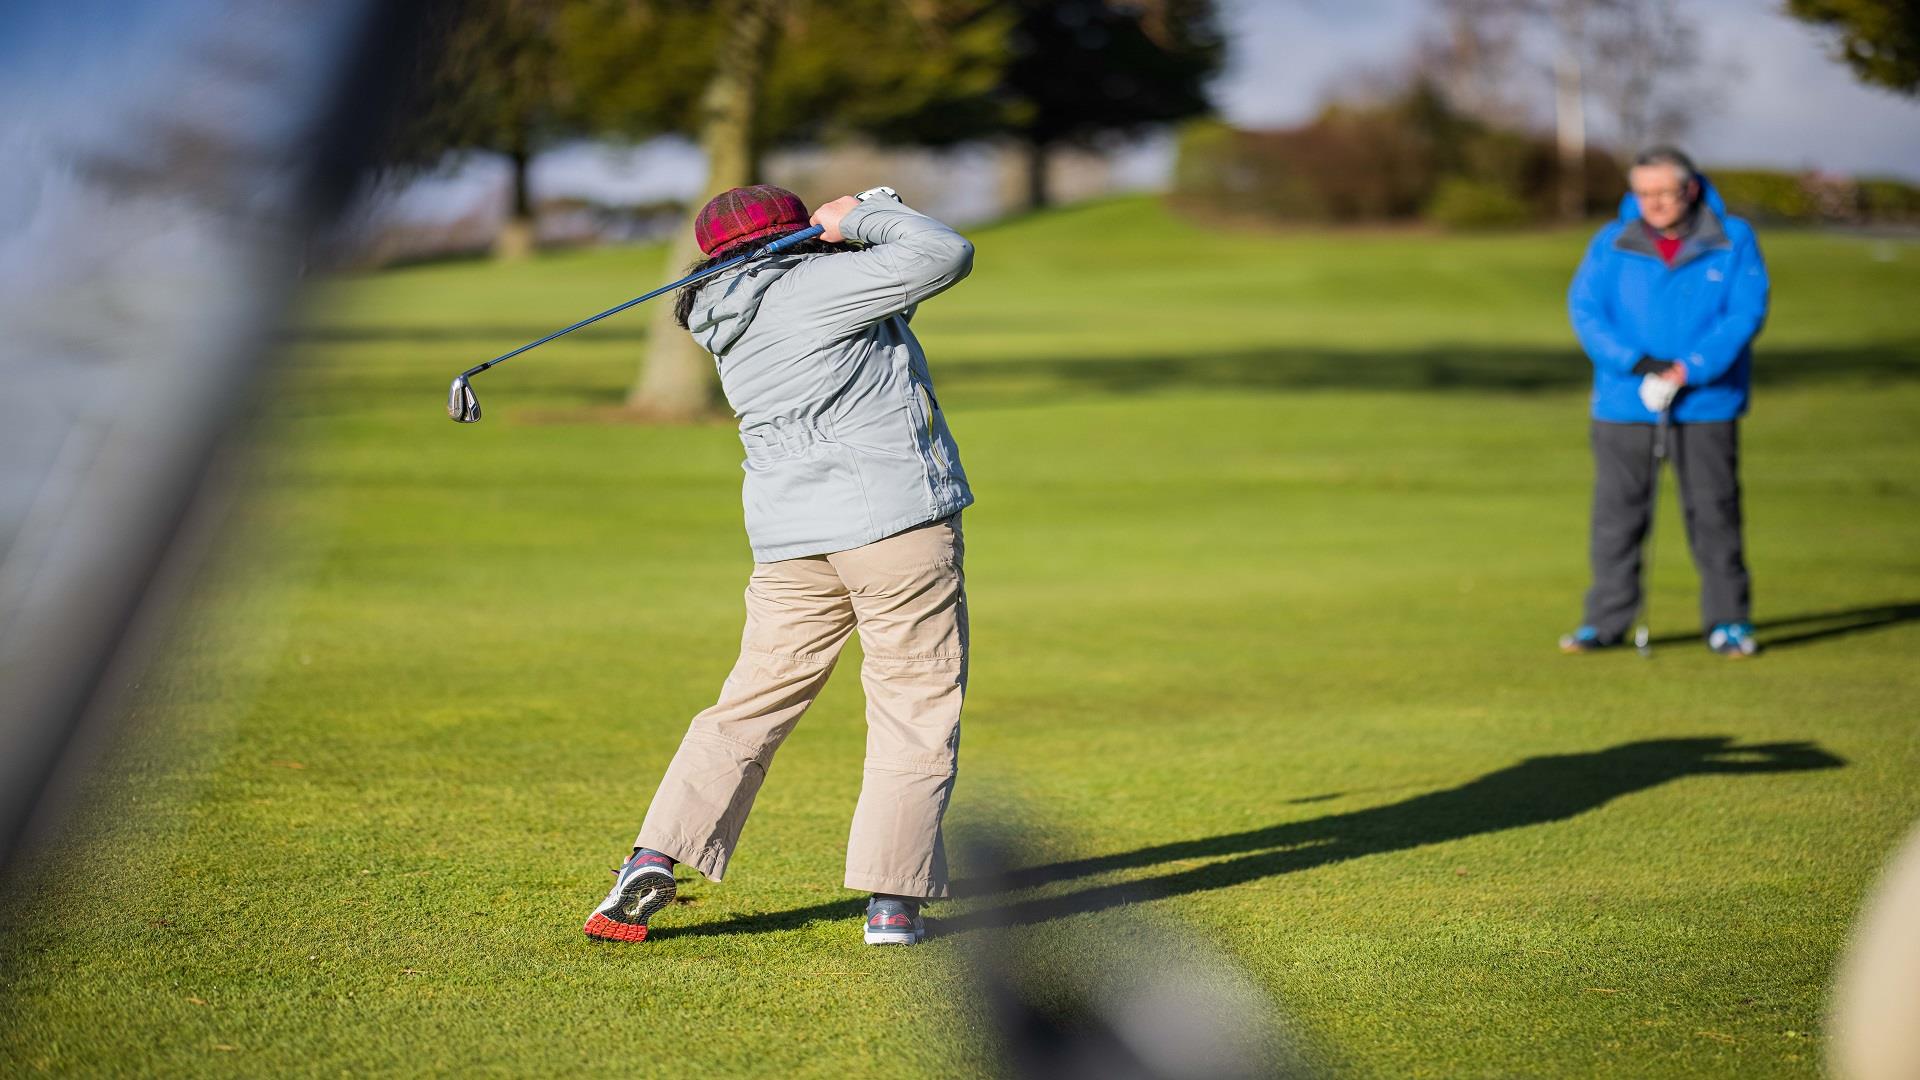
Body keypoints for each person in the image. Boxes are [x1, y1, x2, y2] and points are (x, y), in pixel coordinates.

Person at [583, 184, 975, 946]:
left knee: (750, 706)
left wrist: (857, 224)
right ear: (793, 238)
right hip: (894, 528)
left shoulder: (716, 313)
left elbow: (894, 303)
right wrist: (859, 215)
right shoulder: (827, 285)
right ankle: (892, 902)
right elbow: (943, 253)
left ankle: (653, 853)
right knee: (913, 709)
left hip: (791, 543)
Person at [1560, 147, 1770, 659]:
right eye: (1642, 193)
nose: (1652, 203)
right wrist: (1637, 363)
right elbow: (1585, 310)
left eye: (1663, 193)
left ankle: (1729, 622)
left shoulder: (1732, 238)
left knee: (1714, 513)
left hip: (1706, 402)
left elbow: (1744, 314)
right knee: (1617, 516)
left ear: (1690, 189)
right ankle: (1604, 622)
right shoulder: (1612, 241)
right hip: (1623, 401)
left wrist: (1689, 367)